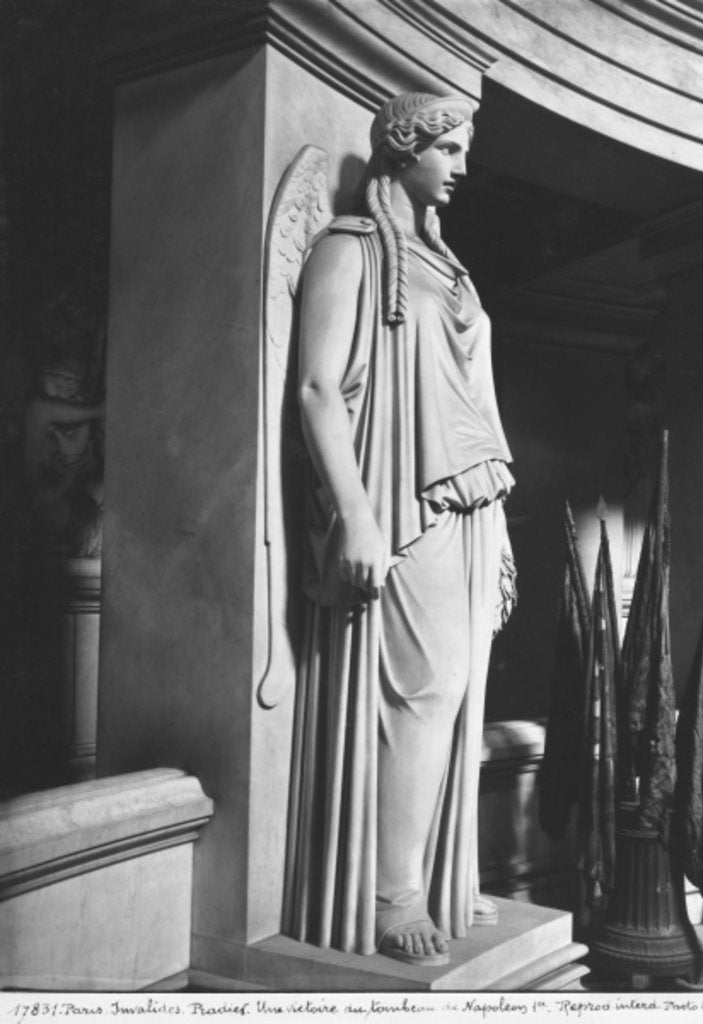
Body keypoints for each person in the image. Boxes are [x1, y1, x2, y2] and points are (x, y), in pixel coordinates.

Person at [282, 92, 516, 967]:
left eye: (462, 149)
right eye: (447, 149)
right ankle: (391, 896)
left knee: (456, 697)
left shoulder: (450, 270)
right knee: (420, 692)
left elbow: (479, 408)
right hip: (398, 502)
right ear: (402, 148)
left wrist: (501, 535)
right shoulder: (352, 250)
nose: (458, 166)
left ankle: (439, 876)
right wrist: (353, 512)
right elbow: (315, 388)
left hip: (469, 503)